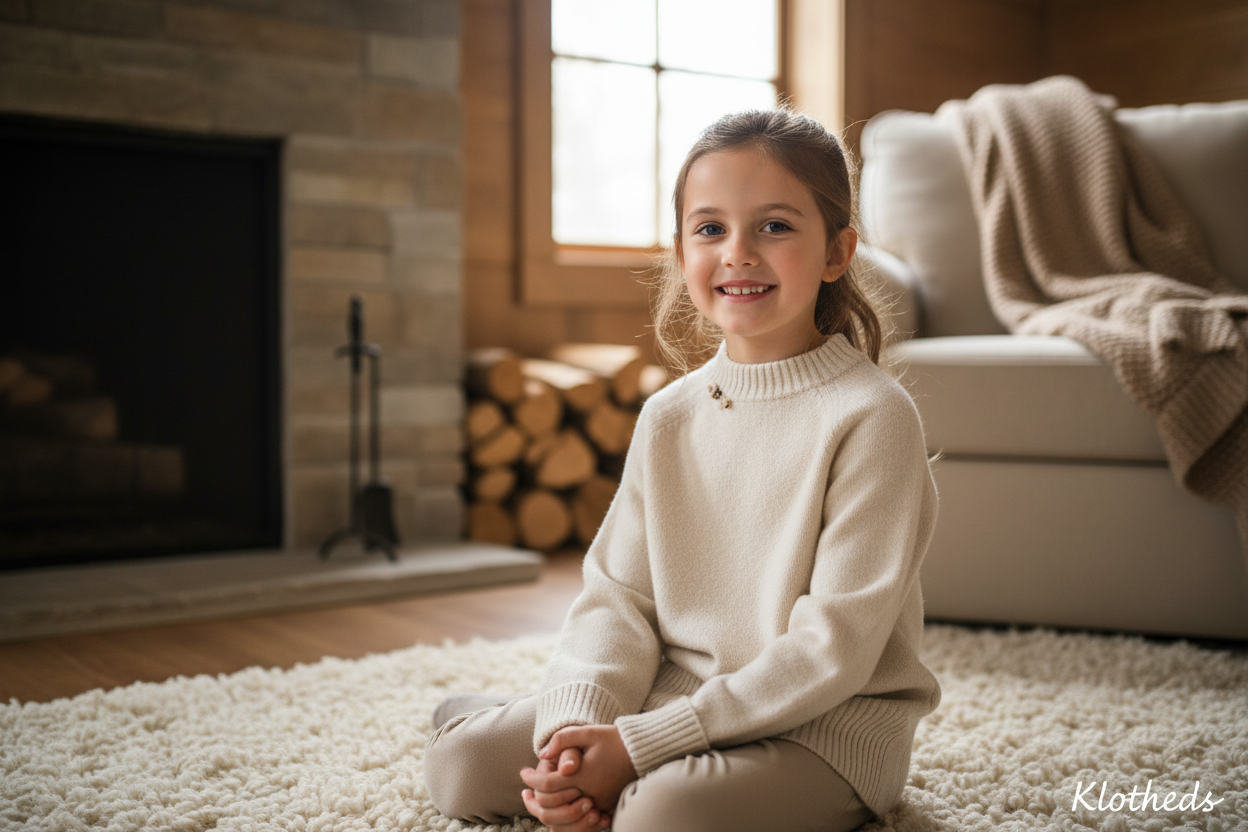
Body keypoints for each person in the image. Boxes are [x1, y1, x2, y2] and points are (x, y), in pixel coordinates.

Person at [424, 109, 940, 832]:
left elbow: (835, 649)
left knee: (658, 818)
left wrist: (640, 748)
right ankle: (502, 721)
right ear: (680, 252)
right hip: (672, 695)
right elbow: (619, 597)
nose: (738, 253)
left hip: (821, 728)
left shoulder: (873, 416)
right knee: (461, 768)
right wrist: (574, 728)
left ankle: (588, 753)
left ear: (836, 251)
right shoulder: (668, 415)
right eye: (710, 228)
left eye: (775, 226)